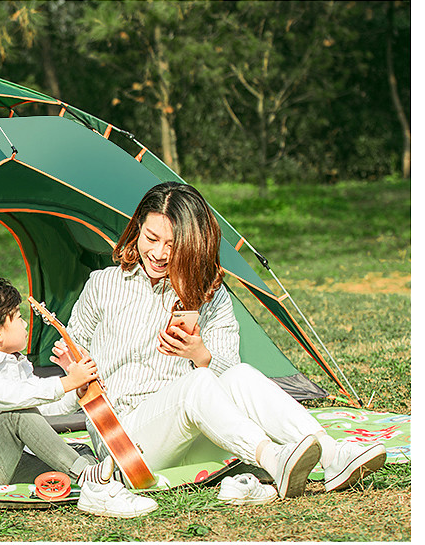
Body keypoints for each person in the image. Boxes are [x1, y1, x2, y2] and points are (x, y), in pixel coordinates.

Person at [51, 182, 386, 500]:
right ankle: (273, 459)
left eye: (173, 245)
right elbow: (72, 381)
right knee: (196, 383)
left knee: (238, 375)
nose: (159, 253)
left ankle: (333, 456)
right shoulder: (103, 285)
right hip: (127, 442)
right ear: (137, 228)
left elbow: (229, 373)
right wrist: (68, 380)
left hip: (196, 434)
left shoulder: (210, 295)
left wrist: (201, 355)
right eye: (151, 238)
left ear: (194, 244)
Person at [0, 277, 158, 517]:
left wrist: (77, 390)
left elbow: (43, 412)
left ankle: (101, 485)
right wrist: (67, 382)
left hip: (8, 461)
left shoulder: (17, 363)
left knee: (79, 451)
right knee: (17, 416)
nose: (25, 324)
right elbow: (16, 399)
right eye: (18, 317)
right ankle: (89, 478)